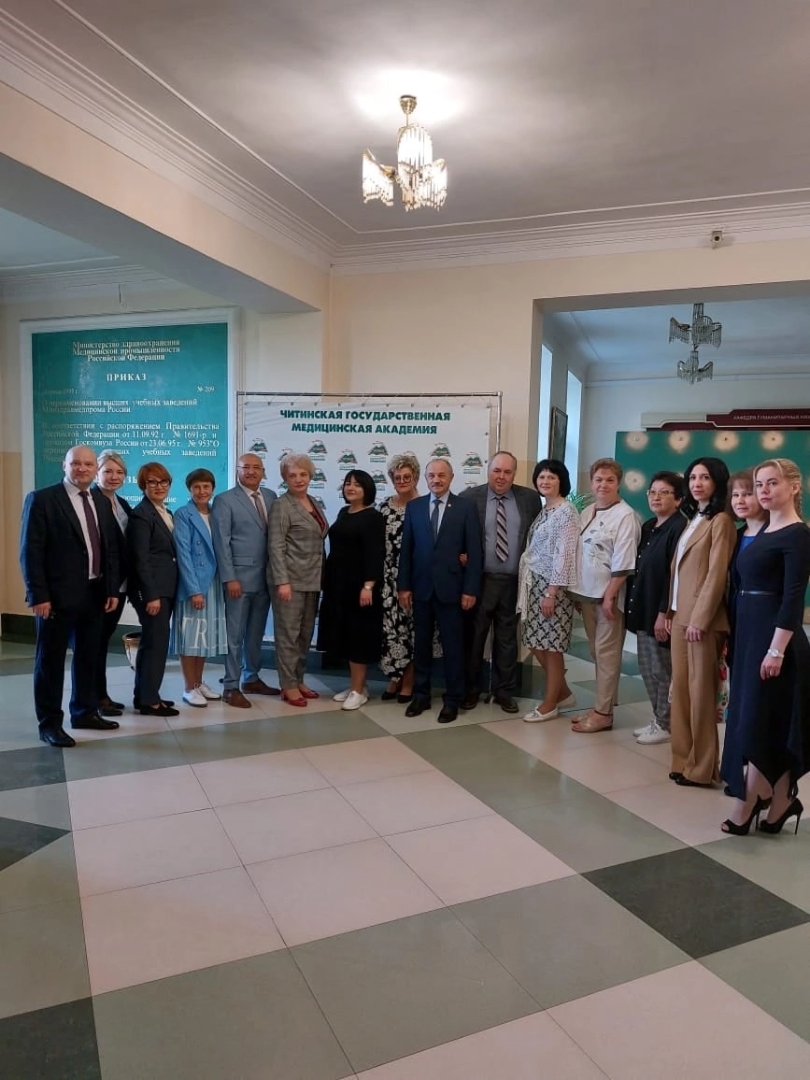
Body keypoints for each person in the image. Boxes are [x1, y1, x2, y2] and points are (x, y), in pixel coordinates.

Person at [720, 458, 810, 835]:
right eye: (760, 484)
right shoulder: (762, 531)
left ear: (794, 487)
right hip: (750, 634)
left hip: (775, 640)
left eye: (772, 483)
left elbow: (792, 597)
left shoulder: (798, 534)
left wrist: (776, 650)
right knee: (761, 718)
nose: (764, 491)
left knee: (758, 720)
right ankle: (782, 799)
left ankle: (750, 800)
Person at [20, 445, 122, 747]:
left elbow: (109, 549)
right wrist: (38, 595)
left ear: (95, 468)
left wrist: (111, 589)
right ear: (65, 465)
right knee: (50, 662)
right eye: (76, 463)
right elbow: (30, 551)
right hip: (55, 598)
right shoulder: (42, 499)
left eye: (88, 464)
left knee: (88, 657)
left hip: (94, 594)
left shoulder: (100, 500)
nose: (83, 469)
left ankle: (84, 712)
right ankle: (50, 724)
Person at [666, 456, 736, 786]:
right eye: (693, 477)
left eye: (705, 477)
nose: (697, 483)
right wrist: (670, 612)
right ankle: (682, 759)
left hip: (701, 621)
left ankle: (703, 768)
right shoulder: (694, 517)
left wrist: (701, 618)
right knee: (681, 692)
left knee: (701, 695)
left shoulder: (721, 521)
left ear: (718, 482)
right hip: (680, 615)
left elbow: (716, 575)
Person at [397, 457, 482, 724]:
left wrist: (470, 589)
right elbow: (407, 550)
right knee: (421, 646)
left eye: (442, 475)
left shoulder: (466, 507)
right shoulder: (414, 507)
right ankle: (420, 696)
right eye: (432, 475)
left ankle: (453, 699)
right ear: (425, 478)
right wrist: (404, 586)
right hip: (421, 589)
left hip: (453, 590)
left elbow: (475, 551)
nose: (436, 480)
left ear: (451, 477)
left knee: (453, 648)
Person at [461, 451, 542, 713]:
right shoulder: (469, 498)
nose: (501, 476)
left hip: (513, 582)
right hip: (480, 581)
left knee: (507, 639)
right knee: (474, 638)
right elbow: (458, 534)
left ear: (514, 474)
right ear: (488, 470)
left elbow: (537, 538)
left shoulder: (530, 499)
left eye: (507, 472)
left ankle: (504, 691)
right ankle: (471, 691)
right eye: (497, 470)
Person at [570, 458, 641, 734]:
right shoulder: (588, 511)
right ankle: (602, 705)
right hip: (587, 594)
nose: (603, 484)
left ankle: (603, 714)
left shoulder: (625, 515)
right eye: (598, 479)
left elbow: (624, 560)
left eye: (610, 480)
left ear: (618, 483)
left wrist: (610, 596)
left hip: (609, 598)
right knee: (596, 653)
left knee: (608, 653)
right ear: (591, 482)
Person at [211, 453, 278, 708]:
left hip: (266, 578)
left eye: (256, 467)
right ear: (237, 471)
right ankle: (231, 686)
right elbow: (222, 541)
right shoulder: (225, 500)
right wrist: (229, 577)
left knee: (256, 634)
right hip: (238, 579)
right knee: (235, 635)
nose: (251, 471)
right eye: (245, 467)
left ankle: (252, 678)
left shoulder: (270, 496)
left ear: (263, 471)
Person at [625, 471, 686, 745]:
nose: (656, 497)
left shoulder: (679, 528)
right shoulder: (650, 526)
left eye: (664, 492)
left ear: (679, 499)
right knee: (647, 668)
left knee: (662, 671)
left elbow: (674, 577)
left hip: (660, 613)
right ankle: (658, 718)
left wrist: (664, 613)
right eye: (652, 492)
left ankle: (666, 723)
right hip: (643, 609)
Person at [518, 459, 580, 721]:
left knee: (552, 646)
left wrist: (551, 593)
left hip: (552, 586)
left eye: (551, 477)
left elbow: (564, 555)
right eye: (541, 477)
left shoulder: (566, 511)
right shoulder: (546, 509)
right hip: (535, 583)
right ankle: (562, 693)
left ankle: (550, 703)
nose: (545, 481)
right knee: (535, 642)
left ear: (561, 481)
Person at [318, 470, 385, 710]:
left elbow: (375, 554)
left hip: (360, 586)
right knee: (345, 635)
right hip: (338, 584)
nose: (351, 488)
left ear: (367, 489)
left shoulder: (373, 517)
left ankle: (358, 690)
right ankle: (357, 686)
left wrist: (369, 585)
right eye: (348, 483)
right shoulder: (343, 512)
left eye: (357, 484)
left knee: (358, 637)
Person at [267, 453, 328, 706]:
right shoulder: (281, 505)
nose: (299, 479)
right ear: (285, 478)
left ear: (310, 476)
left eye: (303, 474)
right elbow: (276, 546)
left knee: (304, 635)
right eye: (292, 475)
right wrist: (282, 582)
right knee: (288, 636)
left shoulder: (313, 502)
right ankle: (288, 685)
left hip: (313, 579)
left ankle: (299, 679)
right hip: (289, 582)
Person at [171, 468, 227, 707]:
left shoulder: (216, 513)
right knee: (190, 636)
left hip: (213, 582)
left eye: (206, 487)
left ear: (213, 488)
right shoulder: (183, 514)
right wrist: (194, 590)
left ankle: (198, 682)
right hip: (193, 583)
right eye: (197, 487)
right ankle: (188, 687)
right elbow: (183, 554)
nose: (202, 491)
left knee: (204, 635)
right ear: (189, 490)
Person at [128, 462, 179, 717]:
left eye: (163, 482)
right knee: (156, 644)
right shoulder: (142, 515)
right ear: (142, 485)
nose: (159, 487)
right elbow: (140, 558)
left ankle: (145, 695)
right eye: (152, 482)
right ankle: (149, 701)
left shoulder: (164, 511)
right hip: (153, 592)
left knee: (153, 643)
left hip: (165, 587)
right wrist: (151, 595)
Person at [379, 453, 421, 702]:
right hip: (387, 581)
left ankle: (408, 681)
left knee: (410, 632)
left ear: (415, 478)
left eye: (407, 477)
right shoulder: (384, 506)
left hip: (414, 579)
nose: (402, 481)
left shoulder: (424, 506)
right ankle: (394, 677)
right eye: (398, 478)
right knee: (391, 631)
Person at [94, 449, 133, 717]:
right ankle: (95, 698)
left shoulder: (121, 503)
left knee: (103, 641)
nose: (114, 476)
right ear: (97, 473)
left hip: (120, 585)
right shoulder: (91, 501)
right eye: (108, 471)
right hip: (100, 587)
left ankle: (102, 694)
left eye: (119, 472)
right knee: (94, 644)